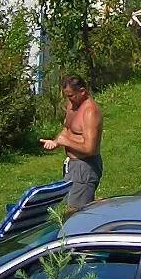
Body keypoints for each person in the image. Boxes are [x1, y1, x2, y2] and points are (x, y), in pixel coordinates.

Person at [41, 74, 102, 211]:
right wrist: (56, 142)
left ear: (82, 91)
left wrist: (66, 142)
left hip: (85, 167)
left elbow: (90, 149)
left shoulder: (90, 112)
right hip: (72, 165)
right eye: (67, 96)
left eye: (71, 96)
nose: (69, 100)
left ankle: (108, 212)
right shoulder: (72, 105)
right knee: (76, 206)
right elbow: (67, 129)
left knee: (76, 212)